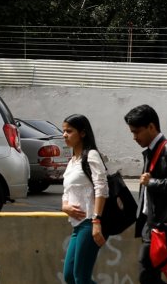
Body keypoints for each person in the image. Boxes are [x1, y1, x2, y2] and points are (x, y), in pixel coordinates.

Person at [125, 104, 167, 284]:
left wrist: (153, 182)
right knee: (150, 275)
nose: (134, 137)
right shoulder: (151, 151)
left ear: (151, 127)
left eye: (137, 132)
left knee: (147, 275)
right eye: (132, 132)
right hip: (152, 224)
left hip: (163, 226)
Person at [60, 114, 108, 284]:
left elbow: (101, 187)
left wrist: (96, 221)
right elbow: (67, 191)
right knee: (70, 276)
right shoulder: (72, 161)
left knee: (81, 277)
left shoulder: (92, 155)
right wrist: (65, 206)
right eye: (64, 131)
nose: (64, 135)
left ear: (82, 133)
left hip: (89, 223)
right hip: (77, 225)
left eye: (69, 131)